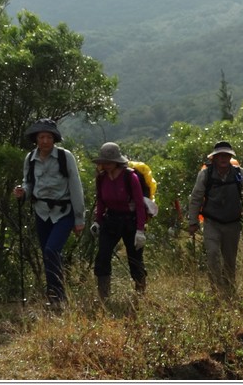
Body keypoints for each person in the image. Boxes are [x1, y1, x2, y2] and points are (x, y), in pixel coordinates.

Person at [13, 118, 85, 307]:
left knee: (52, 250)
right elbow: (28, 182)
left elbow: (75, 186)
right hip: (41, 211)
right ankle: (53, 296)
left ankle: (58, 297)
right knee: (47, 254)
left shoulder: (65, 156)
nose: (44, 140)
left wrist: (79, 219)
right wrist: (23, 191)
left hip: (64, 211)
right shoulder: (30, 158)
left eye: (48, 137)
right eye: (41, 136)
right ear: (36, 139)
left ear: (54, 138)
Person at [188, 141, 243, 297]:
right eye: (220, 155)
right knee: (212, 254)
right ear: (214, 158)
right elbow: (196, 198)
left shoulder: (239, 173)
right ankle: (215, 290)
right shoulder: (205, 174)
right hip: (211, 222)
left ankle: (229, 291)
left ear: (230, 157)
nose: (223, 158)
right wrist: (193, 222)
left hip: (233, 223)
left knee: (229, 260)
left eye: (226, 155)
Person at [90, 142, 148, 300]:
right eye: (104, 162)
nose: (106, 165)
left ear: (117, 161)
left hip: (131, 221)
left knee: (135, 259)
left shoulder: (131, 177)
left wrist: (140, 230)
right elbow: (101, 201)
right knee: (102, 256)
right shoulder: (102, 178)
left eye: (109, 162)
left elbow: (140, 204)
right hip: (111, 221)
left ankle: (140, 294)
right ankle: (104, 297)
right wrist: (98, 221)